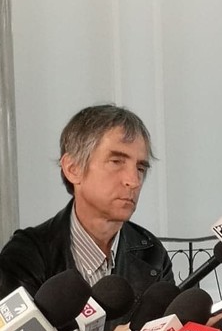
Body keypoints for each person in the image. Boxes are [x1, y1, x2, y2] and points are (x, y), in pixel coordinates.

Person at [0, 104, 173, 307]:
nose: (133, 181)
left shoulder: (151, 253)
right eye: (116, 162)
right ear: (73, 169)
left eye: (140, 168)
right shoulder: (26, 256)